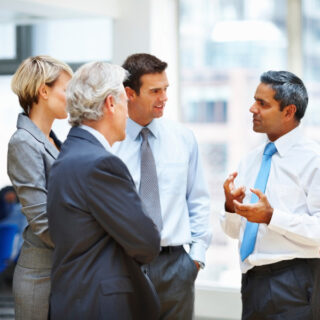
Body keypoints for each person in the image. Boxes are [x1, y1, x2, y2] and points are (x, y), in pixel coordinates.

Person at [47, 61, 161, 320]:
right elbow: (147, 243)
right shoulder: (101, 164)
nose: (128, 112)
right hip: (100, 304)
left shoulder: (70, 154)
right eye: (124, 102)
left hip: (75, 299)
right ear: (110, 103)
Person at [112, 53, 212, 319]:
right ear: (129, 93)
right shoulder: (108, 143)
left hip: (176, 267)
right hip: (123, 265)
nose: (164, 97)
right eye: (155, 91)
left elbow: (198, 200)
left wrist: (196, 258)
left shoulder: (183, 138)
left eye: (166, 89)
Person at [221, 71, 320, 320]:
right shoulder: (251, 160)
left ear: (288, 111)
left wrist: (271, 216)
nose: (252, 109)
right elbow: (235, 233)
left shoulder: (314, 160)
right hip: (252, 280)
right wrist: (232, 208)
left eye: (262, 104)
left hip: (296, 281)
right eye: (254, 100)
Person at [7, 55, 73, 320]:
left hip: (65, 271)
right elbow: (42, 221)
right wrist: (90, 248)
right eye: (66, 90)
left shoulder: (58, 141)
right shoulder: (23, 142)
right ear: (43, 91)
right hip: (41, 278)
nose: (72, 97)